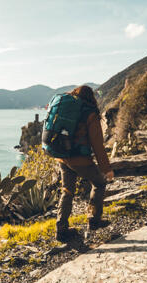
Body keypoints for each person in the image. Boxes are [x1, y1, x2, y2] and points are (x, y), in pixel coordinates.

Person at [55, 85, 114, 242]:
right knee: (99, 183)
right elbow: (97, 145)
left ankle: (61, 229)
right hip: (80, 159)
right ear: (91, 97)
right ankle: (94, 220)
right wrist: (106, 169)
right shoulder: (90, 113)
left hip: (62, 157)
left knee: (67, 191)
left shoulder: (66, 110)